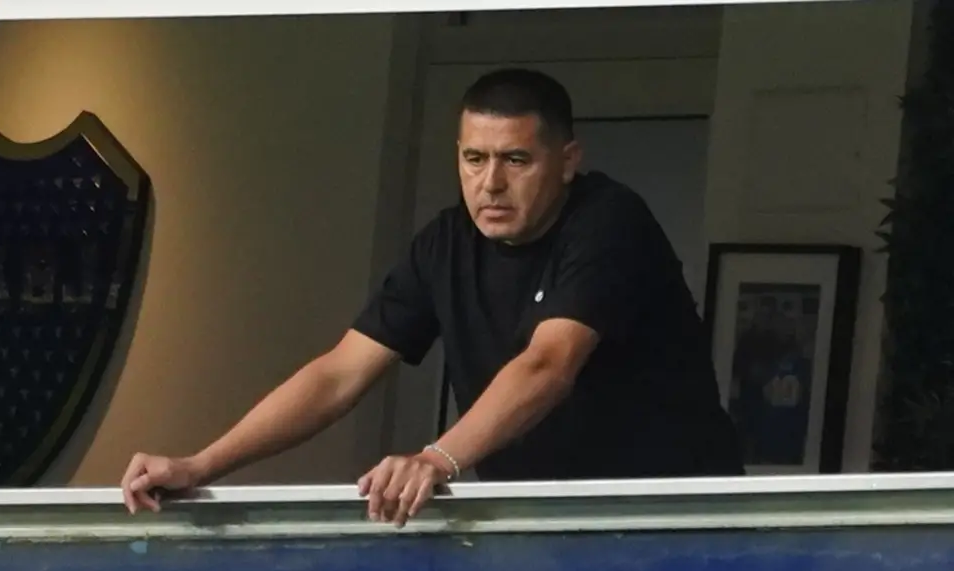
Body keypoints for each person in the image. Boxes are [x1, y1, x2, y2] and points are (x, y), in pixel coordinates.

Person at [121, 68, 744, 525]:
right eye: (474, 158)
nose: (490, 183)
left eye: (516, 160)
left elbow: (548, 364)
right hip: (533, 521)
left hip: (671, 514)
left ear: (567, 160)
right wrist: (200, 466)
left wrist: (436, 458)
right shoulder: (446, 243)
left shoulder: (608, 221)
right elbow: (339, 374)